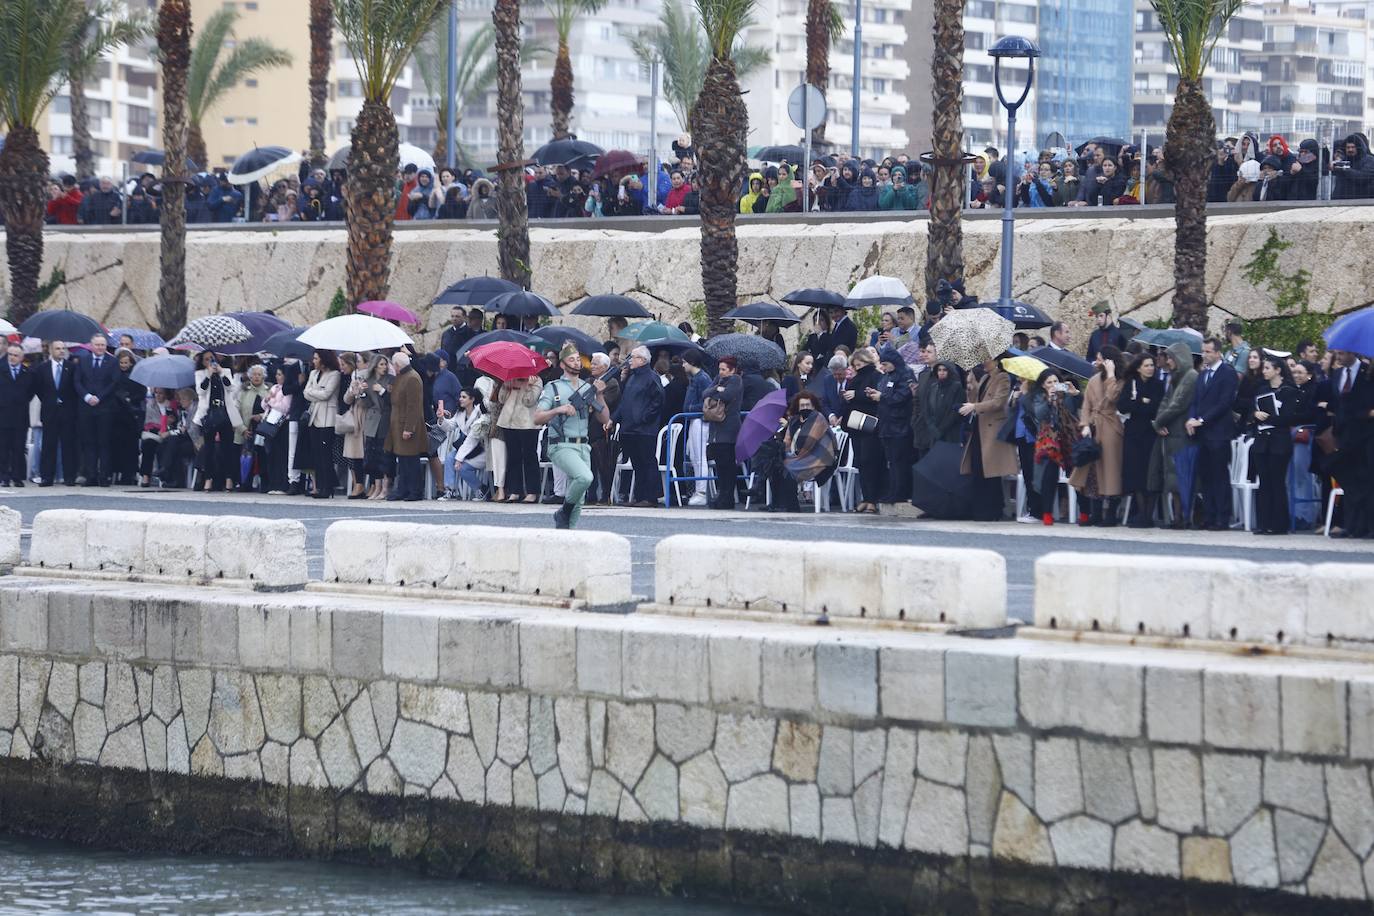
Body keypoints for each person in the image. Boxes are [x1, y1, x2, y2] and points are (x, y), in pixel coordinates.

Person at [534, 343, 611, 527]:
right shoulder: (553, 387)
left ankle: (568, 530)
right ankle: (564, 511)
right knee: (585, 477)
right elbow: (537, 417)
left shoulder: (587, 387)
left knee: (580, 498)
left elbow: (604, 418)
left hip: (583, 445)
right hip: (561, 444)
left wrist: (599, 395)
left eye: (578, 360)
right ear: (562, 364)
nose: (576, 363)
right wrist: (558, 409)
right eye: (571, 360)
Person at [1069, 346, 1126, 526]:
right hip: (1093, 429)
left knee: (1111, 472)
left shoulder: (1120, 379)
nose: (1097, 361)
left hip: (1111, 428)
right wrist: (1084, 424)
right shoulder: (1093, 380)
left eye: (1101, 359)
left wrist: (1110, 374)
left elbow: (1113, 396)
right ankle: (1095, 513)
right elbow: (1086, 405)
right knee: (1091, 471)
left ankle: (1111, 513)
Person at [1186, 338, 1238, 530]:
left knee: (1219, 476)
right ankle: (1208, 516)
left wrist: (1202, 420)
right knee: (1206, 476)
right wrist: (1191, 419)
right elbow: (1195, 401)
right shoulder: (1202, 374)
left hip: (1219, 433)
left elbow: (1224, 404)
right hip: (1202, 434)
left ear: (1217, 353)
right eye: (1203, 351)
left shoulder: (1228, 373)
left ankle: (1221, 517)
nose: (1205, 355)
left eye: (1208, 351)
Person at [1248, 352, 1300, 535]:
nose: (1264, 371)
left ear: (1278, 370)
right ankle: (1263, 522)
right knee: (1264, 481)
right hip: (1262, 440)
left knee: (1277, 481)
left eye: (1268, 368)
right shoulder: (1261, 389)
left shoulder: (1289, 391)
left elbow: (1288, 417)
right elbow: (1250, 409)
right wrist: (1255, 414)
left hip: (1279, 441)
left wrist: (1270, 417)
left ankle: (1279, 523)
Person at [959, 357, 1017, 521]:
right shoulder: (985, 377)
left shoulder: (1003, 377)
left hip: (992, 429)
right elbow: (975, 399)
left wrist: (975, 407)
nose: (984, 362)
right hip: (980, 427)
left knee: (990, 471)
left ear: (997, 361)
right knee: (979, 468)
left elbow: (998, 402)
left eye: (988, 359)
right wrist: (970, 387)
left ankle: (992, 509)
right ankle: (980, 508)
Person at [1149, 341, 1199, 528]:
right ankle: (1178, 517)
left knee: (1181, 479)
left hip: (1183, 436)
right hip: (1171, 435)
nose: (1168, 361)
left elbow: (1177, 405)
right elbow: (1165, 402)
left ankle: (1184, 518)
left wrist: (1158, 422)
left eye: (1170, 357)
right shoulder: (1176, 378)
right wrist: (1158, 424)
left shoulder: (1190, 377)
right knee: (1173, 480)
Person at [613, 345, 664, 508]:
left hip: (645, 429)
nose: (630, 361)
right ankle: (639, 495)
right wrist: (614, 419)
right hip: (629, 428)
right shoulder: (632, 377)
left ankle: (650, 497)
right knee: (637, 463)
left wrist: (644, 417)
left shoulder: (651, 377)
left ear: (642, 360)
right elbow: (624, 402)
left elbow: (658, 400)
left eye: (633, 357)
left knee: (647, 461)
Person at [1028, 369, 1079, 525]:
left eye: (1055, 381)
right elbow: (1039, 415)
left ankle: (1084, 512)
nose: (1053, 385)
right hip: (1049, 441)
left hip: (1068, 439)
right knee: (1048, 475)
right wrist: (1049, 401)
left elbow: (1074, 411)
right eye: (1049, 382)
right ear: (1043, 385)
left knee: (1077, 473)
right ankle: (1047, 513)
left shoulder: (1066, 395)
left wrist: (1074, 394)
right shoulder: (1039, 397)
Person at [1118, 352, 1164, 527]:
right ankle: (1140, 514)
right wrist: (1140, 401)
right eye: (1146, 365)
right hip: (1133, 433)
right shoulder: (1130, 383)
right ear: (1138, 368)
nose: (1150, 368)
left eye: (1152, 365)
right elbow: (1122, 406)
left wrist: (1138, 403)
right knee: (1135, 473)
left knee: (1150, 473)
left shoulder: (1158, 385)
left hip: (1150, 433)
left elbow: (1155, 407)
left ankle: (1148, 515)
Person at [75, 333, 121, 486]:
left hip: (105, 408)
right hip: (86, 408)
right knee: (89, 443)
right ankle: (91, 475)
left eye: (103, 345)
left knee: (104, 443)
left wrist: (99, 397)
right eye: (97, 345)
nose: (100, 347)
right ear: (91, 345)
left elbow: (114, 383)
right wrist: (87, 396)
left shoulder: (113, 362)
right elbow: (77, 381)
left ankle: (104, 477)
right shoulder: (83, 361)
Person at [870, 347, 914, 503]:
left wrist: (882, 397)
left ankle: (901, 492)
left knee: (900, 461)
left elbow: (902, 396)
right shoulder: (886, 377)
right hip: (886, 424)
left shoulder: (905, 374)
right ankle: (893, 490)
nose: (883, 367)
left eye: (886, 363)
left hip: (900, 425)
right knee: (892, 462)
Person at [192, 352, 242, 492]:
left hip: (225, 412)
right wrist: (208, 374)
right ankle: (208, 478)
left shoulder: (225, 371)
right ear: (202, 362)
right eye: (206, 360)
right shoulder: (200, 373)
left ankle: (229, 479)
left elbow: (231, 388)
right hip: (209, 413)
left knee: (228, 449)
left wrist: (221, 373)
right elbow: (201, 391)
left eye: (211, 359)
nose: (210, 362)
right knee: (209, 448)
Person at [493, 372, 543, 503]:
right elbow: (501, 400)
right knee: (513, 457)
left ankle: (532, 492)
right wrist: (505, 386)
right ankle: (515, 491)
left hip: (527, 423)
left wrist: (528, 387)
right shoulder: (510, 378)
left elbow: (530, 401)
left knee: (529, 456)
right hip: (508, 422)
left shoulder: (536, 380)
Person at [34, 341, 78, 486]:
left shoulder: (71, 368)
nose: (61, 351)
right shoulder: (42, 368)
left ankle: (69, 477)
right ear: (51, 350)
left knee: (68, 445)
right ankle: (47, 477)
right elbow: (39, 389)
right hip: (50, 411)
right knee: (48, 445)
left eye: (62, 348)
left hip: (67, 412)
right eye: (57, 348)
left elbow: (74, 389)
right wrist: (51, 401)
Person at [384, 351, 425, 501]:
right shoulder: (401, 377)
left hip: (406, 425)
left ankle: (415, 491)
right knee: (402, 460)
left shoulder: (412, 378)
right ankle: (403, 490)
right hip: (397, 423)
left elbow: (413, 406)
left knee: (410, 460)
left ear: (397, 365)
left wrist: (409, 428)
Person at [704, 356, 744, 509]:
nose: (720, 372)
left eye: (724, 369)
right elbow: (705, 393)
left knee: (728, 465)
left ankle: (727, 497)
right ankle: (722, 496)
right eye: (719, 369)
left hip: (729, 428)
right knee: (720, 466)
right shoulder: (718, 380)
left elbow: (727, 396)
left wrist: (717, 392)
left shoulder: (736, 380)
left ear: (732, 370)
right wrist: (716, 389)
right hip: (716, 429)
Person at [438, 387, 490, 499]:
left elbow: (472, 440)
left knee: (463, 468)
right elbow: (450, 426)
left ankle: (482, 489)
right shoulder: (460, 413)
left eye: (464, 397)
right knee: (449, 458)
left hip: (481, 449)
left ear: (472, 399)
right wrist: (442, 419)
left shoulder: (480, 413)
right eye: (460, 396)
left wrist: (459, 459)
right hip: (466, 449)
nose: (460, 399)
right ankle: (450, 490)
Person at [302, 350, 341, 498]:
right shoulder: (313, 374)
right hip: (314, 417)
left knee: (325, 455)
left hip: (327, 418)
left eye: (316, 358)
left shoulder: (334, 374)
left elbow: (327, 394)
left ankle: (328, 486)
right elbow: (306, 392)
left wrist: (314, 392)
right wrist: (316, 391)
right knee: (317, 454)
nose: (314, 361)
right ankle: (320, 486)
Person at [0, 343, 31, 486]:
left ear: (21, 357)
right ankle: (4, 477)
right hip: (3, 415)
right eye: (10, 355)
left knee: (18, 448)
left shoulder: (27, 372)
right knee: (3, 448)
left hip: (20, 416)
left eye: (16, 355)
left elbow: (31, 392)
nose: (12, 358)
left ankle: (17, 477)